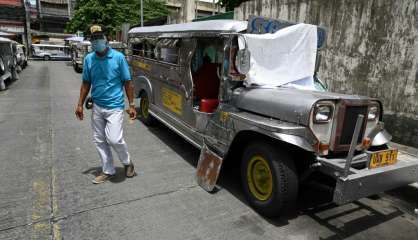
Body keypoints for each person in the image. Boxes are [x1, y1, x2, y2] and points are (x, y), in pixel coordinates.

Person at [75, 24, 137, 184]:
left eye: (99, 38)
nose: (96, 41)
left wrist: (131, 105)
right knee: (99, 140)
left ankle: (128, 162)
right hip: (97, 106)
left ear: (106, 39)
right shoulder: (89, 59)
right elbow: (86, 83)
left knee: (114, 139)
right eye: (93, 39)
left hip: (115, 106)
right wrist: (80, 104)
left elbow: (128, 82)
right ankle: (108, 170)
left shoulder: (118, 58)